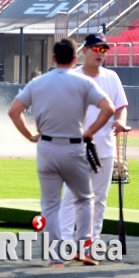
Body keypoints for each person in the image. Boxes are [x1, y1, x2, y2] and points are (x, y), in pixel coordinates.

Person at [7, 38, 115, 268]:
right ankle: (84, 249)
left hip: (46, 146)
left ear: (53, 58)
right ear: (75, 58)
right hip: (74, 146)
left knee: (50, 205)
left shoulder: (38, 83)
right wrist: (90, 132)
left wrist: (30, 135)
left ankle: (55, 256)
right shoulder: (83, 82)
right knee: (85, 200)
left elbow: (14, 111)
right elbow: (109, 109)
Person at [59, 34, 128, 246]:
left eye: (104, 49)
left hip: (105, 148)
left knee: (99, 198)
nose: (101, 53)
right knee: (72, 196)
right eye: (96, 49)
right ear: (85, 51)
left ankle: (91, 241)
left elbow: (121, 106)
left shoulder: (112, 77)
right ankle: (63, 240)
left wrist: (120, 121)